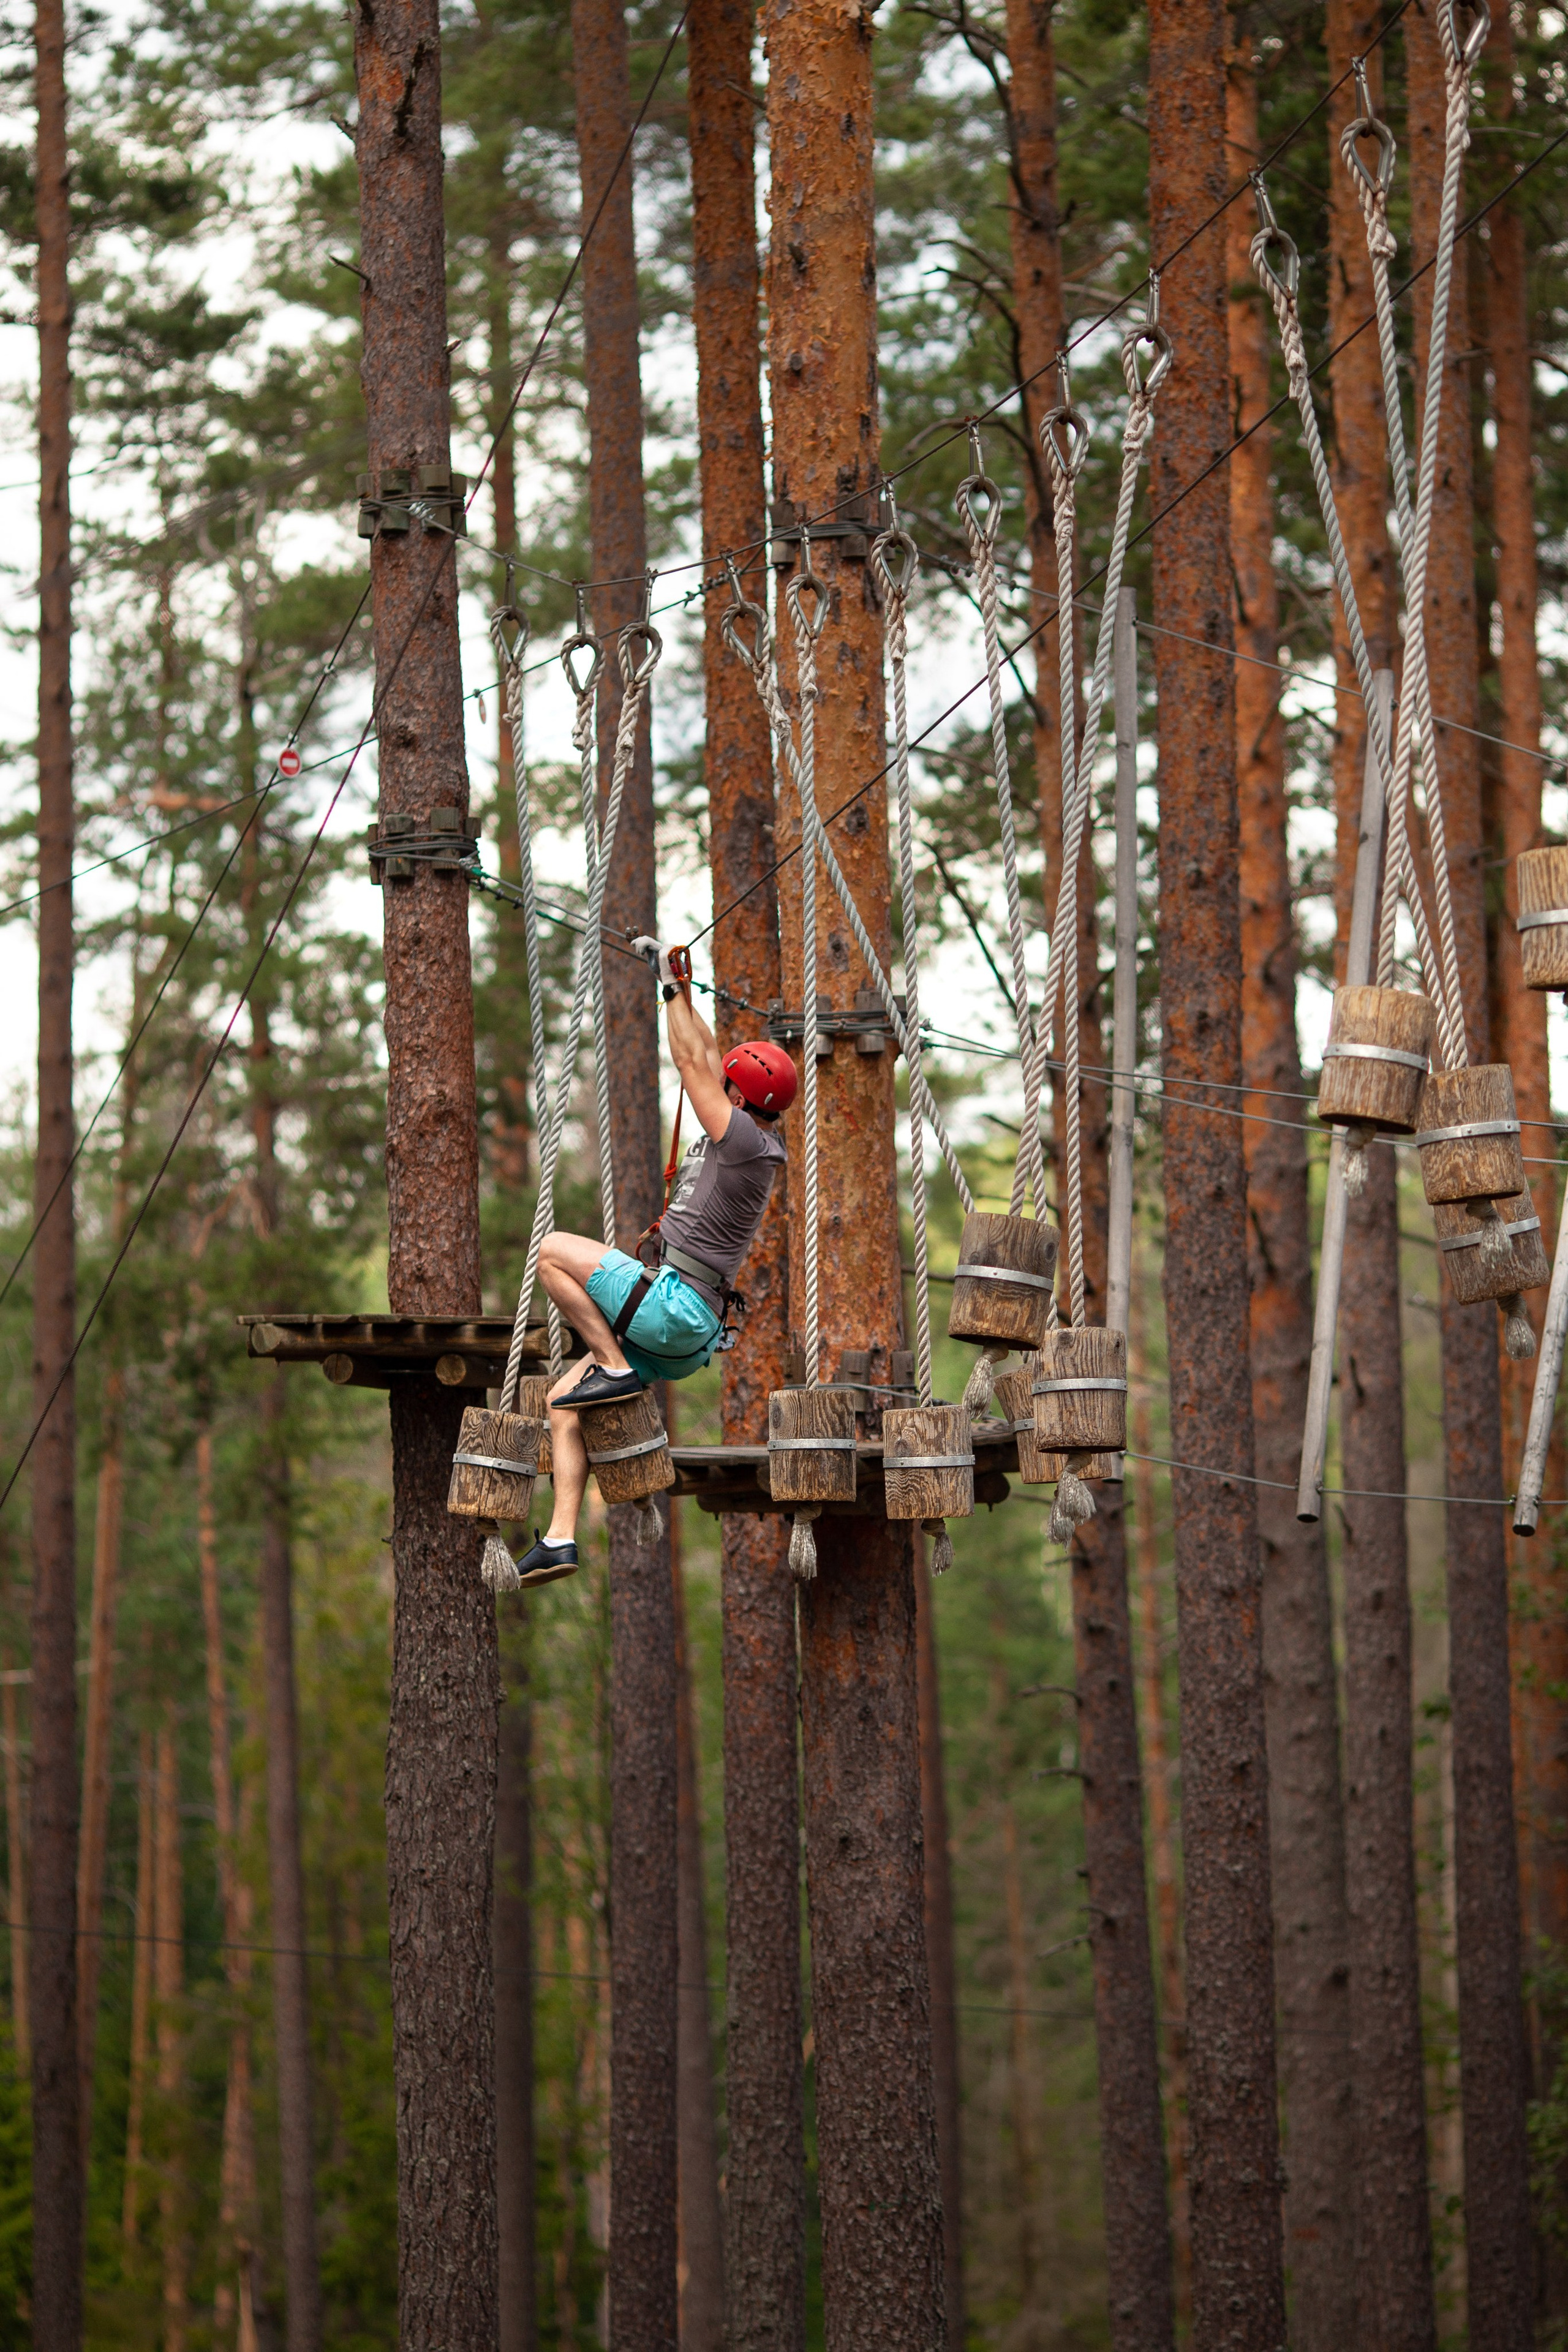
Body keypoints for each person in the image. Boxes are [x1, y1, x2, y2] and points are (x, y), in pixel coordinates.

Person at [511, 941, 795, 1584]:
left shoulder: (744, 1140)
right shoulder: (750, 1133)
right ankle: (559, 1539)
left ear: (738, 1097)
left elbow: (692, 1059)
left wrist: (667, 991)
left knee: (552, 1251)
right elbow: (709, 1050)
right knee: (562, 1402)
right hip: (682, 1332)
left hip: (677, 1307)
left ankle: (611, 1364)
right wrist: (683, 987)